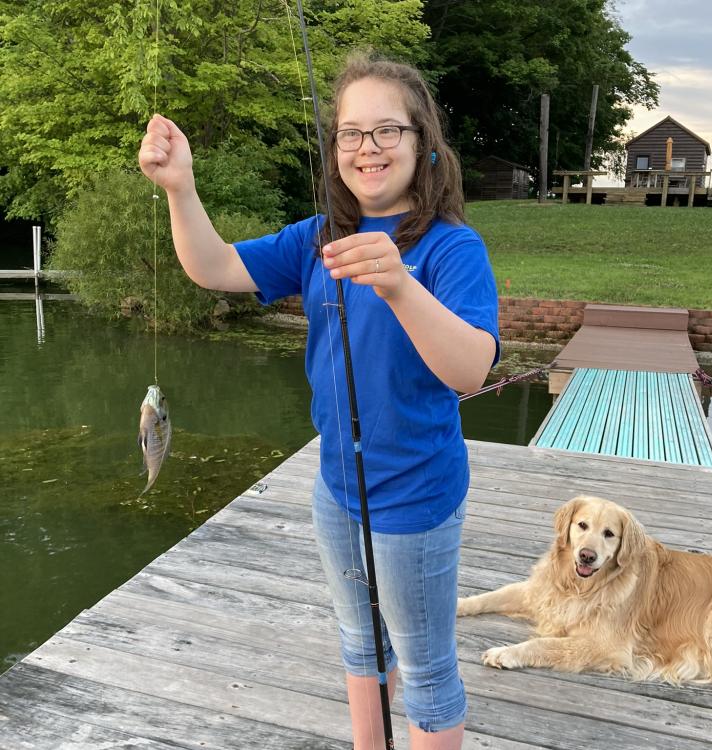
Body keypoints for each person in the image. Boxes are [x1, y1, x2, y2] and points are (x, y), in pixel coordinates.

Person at [139, 52, 500, 750]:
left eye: (387, 131)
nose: (368, 149)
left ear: (424, 142)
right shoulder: (316, 238)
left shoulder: (453, 250)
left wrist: (400, 285)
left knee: (424, 669)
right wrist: (180, 188)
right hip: (337, 491)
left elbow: (471, 372)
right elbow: (212, 267)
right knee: (360, 645)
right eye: (350, 133)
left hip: (416, 496)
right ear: (335, 149)